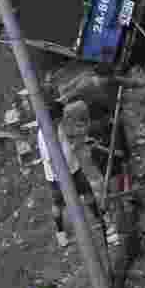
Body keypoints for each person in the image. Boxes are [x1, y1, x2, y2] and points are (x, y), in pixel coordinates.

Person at [36, 99, 102, 247]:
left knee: (88, 193)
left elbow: (69, 137)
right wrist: (62, 179)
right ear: (54, 117)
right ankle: (61, 234)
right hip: (57, 177)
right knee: (59, 205)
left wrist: (79, 140)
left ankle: (99, 220)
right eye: (61, 116)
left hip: (74, 167)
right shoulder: (44, 135)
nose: (63, 118)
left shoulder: (58, 125)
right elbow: (50, 160)